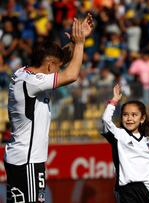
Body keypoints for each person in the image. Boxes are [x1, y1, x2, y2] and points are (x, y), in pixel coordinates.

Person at [5, 14, 93, 203]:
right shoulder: (32, 82)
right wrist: (79, 44)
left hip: (25, 158)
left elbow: (59, 59)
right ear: (49, 65)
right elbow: (71, 75)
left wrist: (80, 38)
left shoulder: (25, 73)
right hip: (27, 161)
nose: (58, 72)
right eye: (56, 68)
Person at [101, 84, 149, 203]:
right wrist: (114, 101)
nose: (129, 118)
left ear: (142, 119)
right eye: (125, 115)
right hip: (127, 190)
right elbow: (106, 121)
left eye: (134, 115)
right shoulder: (119, 135)